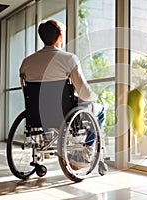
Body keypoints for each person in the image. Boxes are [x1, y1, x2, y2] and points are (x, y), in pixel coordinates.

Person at [19, 19, 104, 165]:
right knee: (100, 111)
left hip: (38, 114)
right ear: (60, 36)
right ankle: (87, 150)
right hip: (65, 115)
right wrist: (94, 97)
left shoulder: (27, 62)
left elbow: (26, 93)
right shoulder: (69, 59)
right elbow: (84, 93)